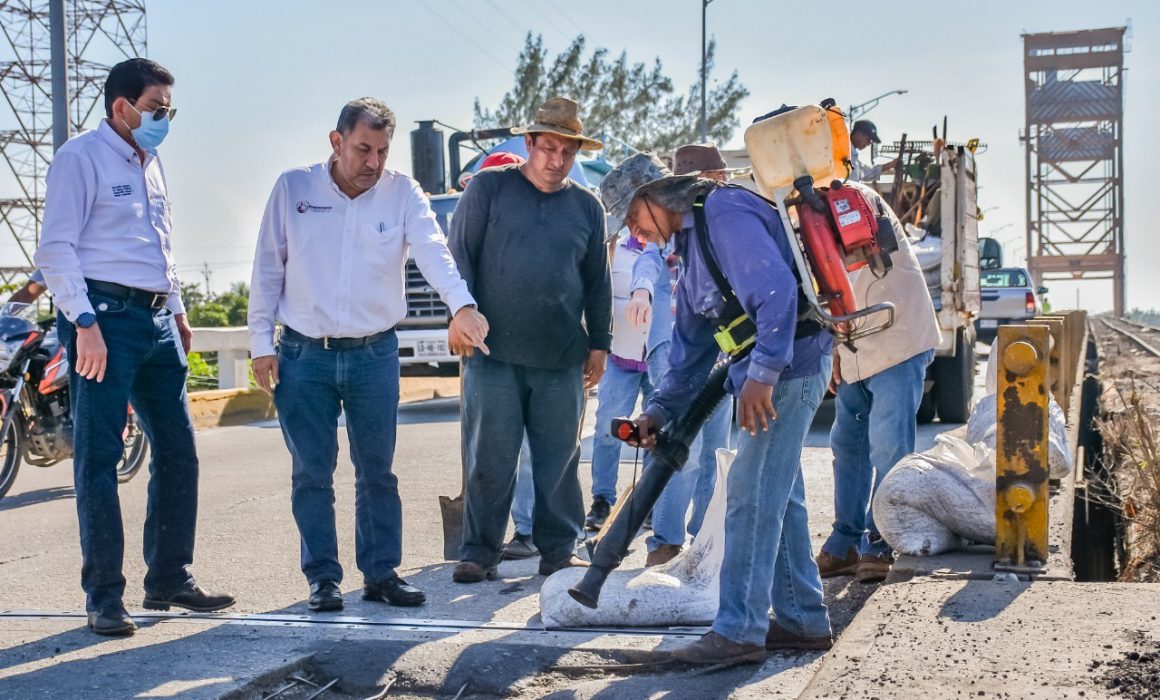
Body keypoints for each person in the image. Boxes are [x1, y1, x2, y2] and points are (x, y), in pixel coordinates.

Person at [248, 97, 489, 612]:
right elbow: (267, 267)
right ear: (336, 142)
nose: (373, 163)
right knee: (312, 472)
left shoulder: (402, 192)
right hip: (302, 355)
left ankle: (381, 573)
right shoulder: (294, 188)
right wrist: (259, 344)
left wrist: (462, 306)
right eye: (363, 149)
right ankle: (323, 578)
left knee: (377, 470)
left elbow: (433, 250)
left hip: (373, 355)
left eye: (382, 150)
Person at [35, 58, 234, 636]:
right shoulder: (80, 157)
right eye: (155, 109)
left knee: (178, 450)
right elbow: (57, 249)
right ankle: (104, 596)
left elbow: (160, 245)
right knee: (99, 459)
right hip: (105, 321)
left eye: (169, 110)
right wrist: (83, 322)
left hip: (157, 323)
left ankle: (169, 577)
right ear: (121, 107)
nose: (164, 119)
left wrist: (177, 309)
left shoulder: (153, 164)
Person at [609, 156, 835, 665]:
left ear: (655, 195)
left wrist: (762, 376)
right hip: (775, 370)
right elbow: (690, 351)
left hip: (790, 368)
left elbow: (776, 294)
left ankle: (738, 630)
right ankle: (802, 620)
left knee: (750, 498)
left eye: (632, 217)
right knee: (779, 495)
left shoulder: (724, 212)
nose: (635, 233)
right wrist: (659, 411)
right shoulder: (689, 250)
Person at [448, 97, 611, 582]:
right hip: (492, 353)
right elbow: (458, 257)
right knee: (489, 457)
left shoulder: (588, 206)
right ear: (529, 143)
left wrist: (599, 343)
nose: (556, 160)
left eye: (567, 152)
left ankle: (560, 550)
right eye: (548, 148)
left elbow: (598, 281)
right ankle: (478, 551)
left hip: (562, 356)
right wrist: (459, 314)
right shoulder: (488, 189)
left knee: (559, 459)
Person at [817, 182, 941, 583]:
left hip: (895, 334)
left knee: (888, 445)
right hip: (857, 340)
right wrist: (835, 346)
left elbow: (842, 268)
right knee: (847, 444)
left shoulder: (848, 199)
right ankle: (846, 542)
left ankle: (881, 540)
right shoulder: (806, 210)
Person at [635, 145, 734, 566]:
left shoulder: (721, 224)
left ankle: (703, 539)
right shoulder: (665, 227)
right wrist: (640, 292)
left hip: (721, 353)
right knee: (682, 449)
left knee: (714, 450)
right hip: (677, 353)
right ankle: (665, 541)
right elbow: (646, 264)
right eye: (717, 177)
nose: (722, 184)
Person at [581, 226, 655, 532]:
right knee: (608, 428)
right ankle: (602, 499)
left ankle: (652, 501)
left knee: (658, 434)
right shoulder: (616, 245)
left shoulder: (671, 244)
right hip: (620, 355)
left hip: (659, 356)